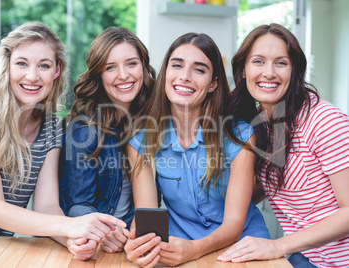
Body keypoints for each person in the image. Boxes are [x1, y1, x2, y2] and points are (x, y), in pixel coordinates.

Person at [0, 21, 126, 268]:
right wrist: (71, 225)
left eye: (44, 65)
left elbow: (47, 206)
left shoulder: (50, 124)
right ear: (7, 65)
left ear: (56, 71)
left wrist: (73, 240)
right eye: (22, 63)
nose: (32, 76)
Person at [124, 32, 270, 267]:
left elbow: (233, 224)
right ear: (165, 74)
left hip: (243, 248)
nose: (185, 76)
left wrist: (194, 250)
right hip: (179, 250)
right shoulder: (141, 140)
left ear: (213, 84)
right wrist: (140, 243)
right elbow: (147, 217)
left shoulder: (239, 136)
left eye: (199, 70)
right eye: (177, 65)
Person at [217, 23, 349, 268]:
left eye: (280, 62)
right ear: (243, 70)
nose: (269, 72)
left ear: (295, 71)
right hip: (305, 257)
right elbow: (259, 189)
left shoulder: (324, 120)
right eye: (258, 61)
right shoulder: (262, 124)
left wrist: (277, 245)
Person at [59, 27, 156, 256]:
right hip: (94, 245)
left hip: (133, 242)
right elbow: (77, 204)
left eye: (131, 63)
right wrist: (105, 231)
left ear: (143, 66)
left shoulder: (152, 121)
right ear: (99, 76)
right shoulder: (84, 129)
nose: (123, 75)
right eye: (110, 67)